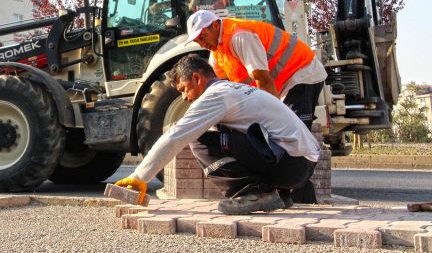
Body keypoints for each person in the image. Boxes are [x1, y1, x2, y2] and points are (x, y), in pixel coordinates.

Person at [115, 54, 321, 214]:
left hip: (292, 164)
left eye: (184, 89)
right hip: (299, 163)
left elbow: (177, 135)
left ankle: (255, 194)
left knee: (198, 137)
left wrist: (139, 176)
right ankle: (276, 193)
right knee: (221, 130)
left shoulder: (216, 95)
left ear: (196, 78)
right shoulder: (233, 88)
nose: (185, 98)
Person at [184, 9, 328, 204]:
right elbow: (221, 91)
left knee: (290, 136)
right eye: (197, 40)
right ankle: (281, 193)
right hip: (281, 81)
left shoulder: (239, 35)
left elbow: (263, 79)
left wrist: (270, 119)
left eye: (203, 36)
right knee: (272, 139)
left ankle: (301, 198)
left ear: (215, 25)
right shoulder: (217, 54)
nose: (202, 43)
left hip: (301, 73)